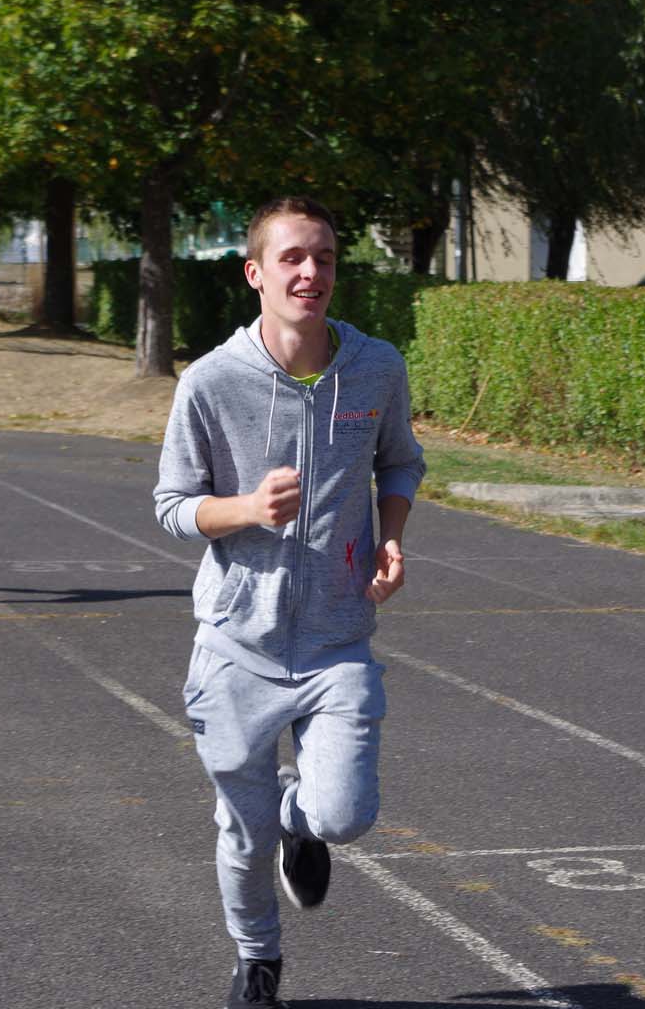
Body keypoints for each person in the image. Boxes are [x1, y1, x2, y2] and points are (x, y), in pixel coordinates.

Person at [154, 197, 425, 1009]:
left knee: (343, 814)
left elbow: (401, 464)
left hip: (337, 637)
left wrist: (389, 533)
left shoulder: (376, 367)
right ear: (256, 274)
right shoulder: (209, 381)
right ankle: (257, 960)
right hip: (237, 645)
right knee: (242, 835)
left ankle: (302, 825)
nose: (312, 273)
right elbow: (171, 504)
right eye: (293, 259)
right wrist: (244, 509)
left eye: (326, 258)